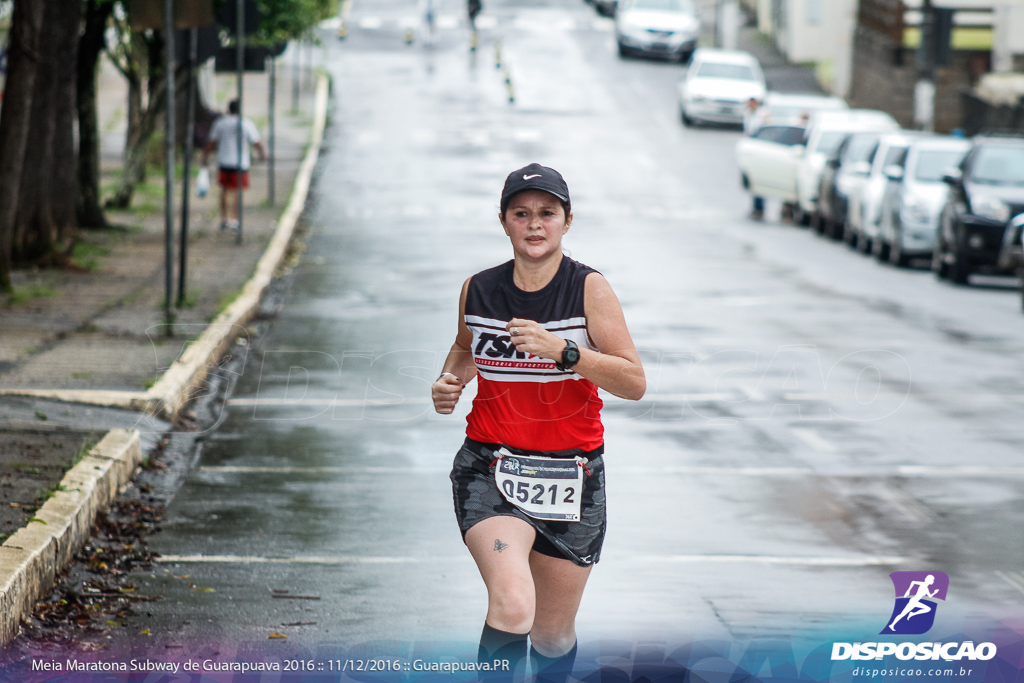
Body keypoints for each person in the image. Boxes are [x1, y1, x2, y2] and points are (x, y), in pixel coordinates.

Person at [432, 163, 646, 682]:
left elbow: (633, 382)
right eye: (521, 213)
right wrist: (448, 381)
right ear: (503, 222)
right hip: (491, 467)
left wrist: (565, 352)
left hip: (572, 476)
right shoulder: (477, 290)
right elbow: (466, 348)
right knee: (511, 607)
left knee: (551, 635)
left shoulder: (588, 289)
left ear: (566, 221)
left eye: (547, 213)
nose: (534, 224)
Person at [202, 99, 266, 231]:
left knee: (224, 191)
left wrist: (205, 156)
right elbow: (257, 142)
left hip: (224, 161)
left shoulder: (220, 123)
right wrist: (262, 154)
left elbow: (212, 143)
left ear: (228, 109)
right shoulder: (245, 123)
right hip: (240, 163)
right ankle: (235, 220)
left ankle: (224, 219)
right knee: (237, 192)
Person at [743, 97, 766, 220]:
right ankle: (755, 208)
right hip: (751, 148)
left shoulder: (762, 114)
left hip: (760, 149)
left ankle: (760, 208)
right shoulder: (748, 114)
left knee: (759, 179)